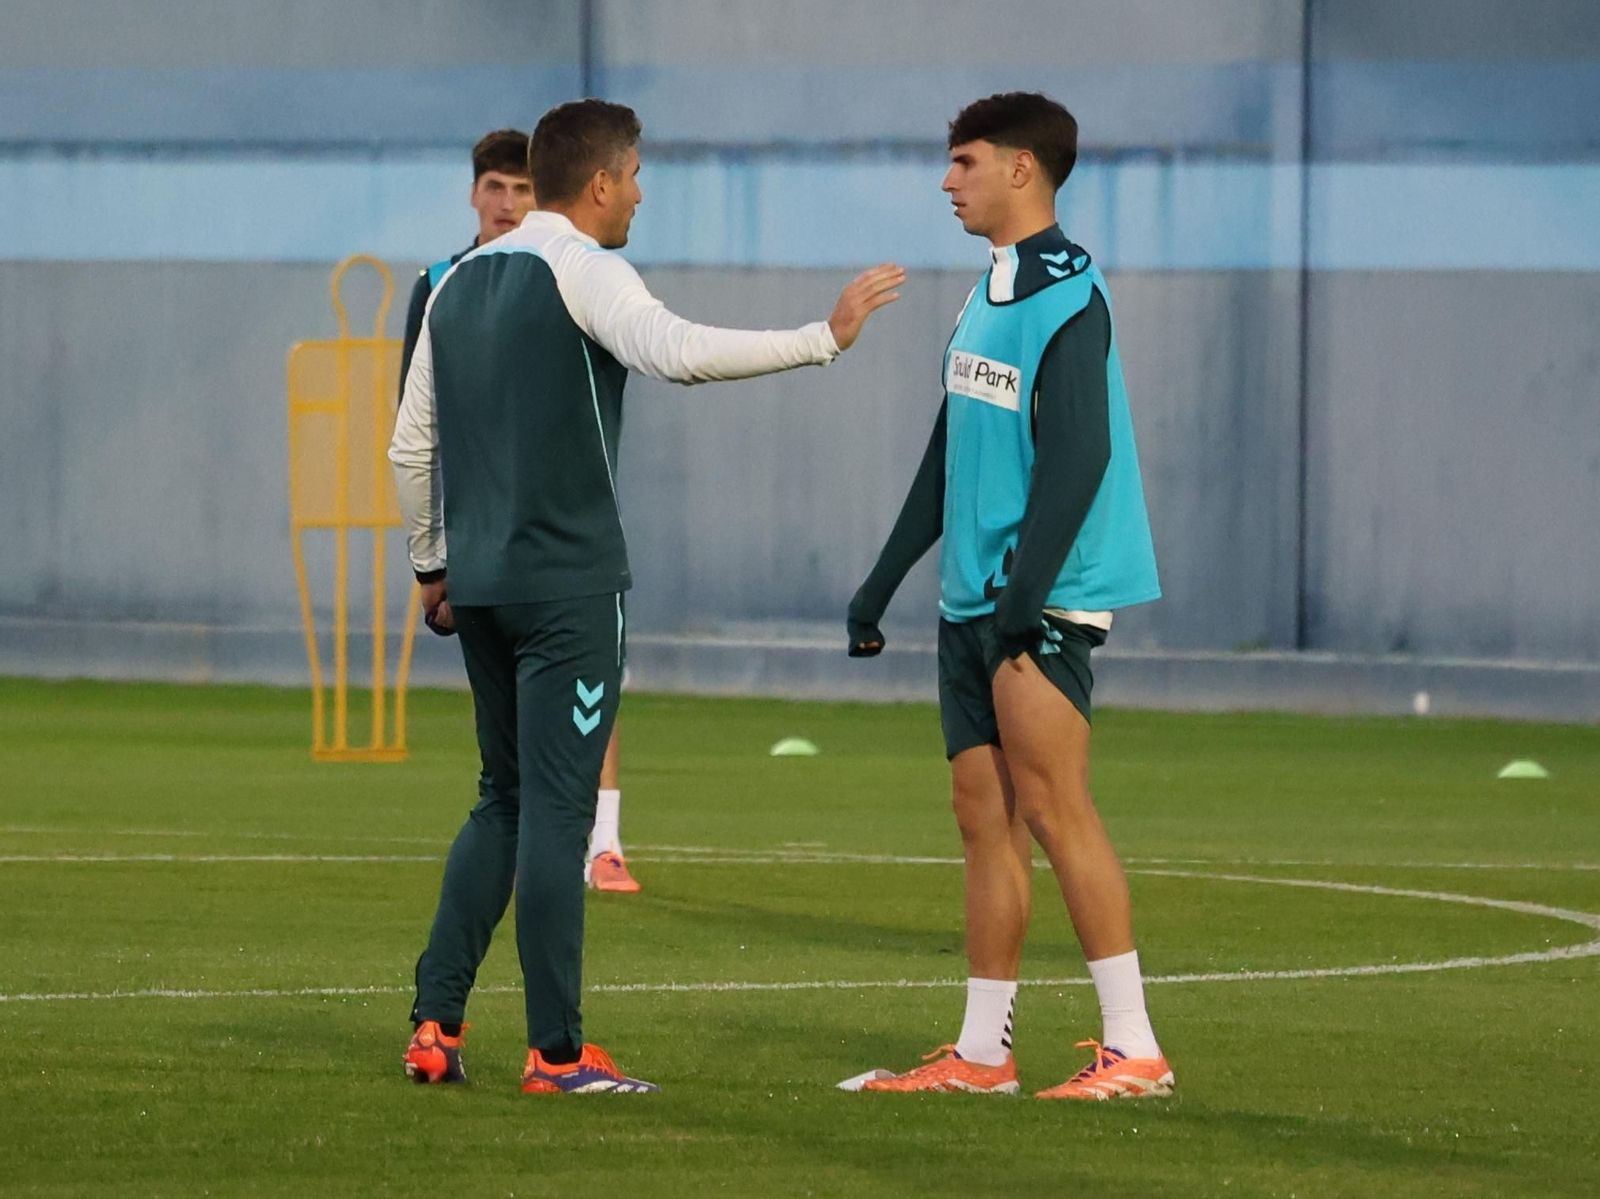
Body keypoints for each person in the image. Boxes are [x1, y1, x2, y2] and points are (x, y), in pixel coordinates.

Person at [390, 98, 903, 1094]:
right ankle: (556, 1053)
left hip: (481, 584)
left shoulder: (452, 283)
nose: (638, 193)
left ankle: (435, 1025)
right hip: (567, 587)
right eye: (632, 176)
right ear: (597, 183)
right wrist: (824, 336)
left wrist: (430, 564)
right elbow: (677, 350)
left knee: (502, 798)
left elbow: (411, 446)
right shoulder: (585, 267)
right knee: (558, 812)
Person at [846, 92, 1171, 1100]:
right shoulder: (983, 293)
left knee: (1056, 807)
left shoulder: (1072, 293)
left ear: (1021, 168)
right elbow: (950, 448)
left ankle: (1134, 1047)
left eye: (965, 161)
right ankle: (982, 1054)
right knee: (983, 816)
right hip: (971, 601)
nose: (948, 181)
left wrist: (1025, 594)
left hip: (1040, 598)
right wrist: (883, 578)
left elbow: (1081, 454)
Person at [399, 127, 642, 895]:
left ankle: (606, 839)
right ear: (473, 194)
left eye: (522, 189)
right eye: (495, 188)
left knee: (569, 704)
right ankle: (542, 963)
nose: (507, 203)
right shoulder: (443, 282)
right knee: (513, 771)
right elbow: (416, 429)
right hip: (485, 545)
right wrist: (436, 555)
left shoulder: (573, 271)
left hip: (555, 531)